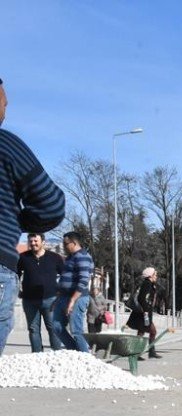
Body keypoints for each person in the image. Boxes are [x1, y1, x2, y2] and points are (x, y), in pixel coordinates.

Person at [0, 78, 66, 355]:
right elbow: (51, 204)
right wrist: (16, 219)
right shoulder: (6, 146)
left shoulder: (53, 259)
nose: (7, 104)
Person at [16, 232, 64, 352]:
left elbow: (65, 275)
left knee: (53, 328)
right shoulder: (23, 258)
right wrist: (18, 288)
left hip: (50, 299)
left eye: (35, 241)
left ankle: (57, 354)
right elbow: (15, 275)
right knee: (33, 329)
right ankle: (37, 356)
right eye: (30, 241)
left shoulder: (55, 257)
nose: (33, 243)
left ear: (43, 241)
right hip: (29, 301)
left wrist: (61, 293)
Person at [52, 232, 93, 353]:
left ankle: (85, 358)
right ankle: (75, 352)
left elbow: (84, 280)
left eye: (66, 244)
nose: (64, 246)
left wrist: (73, 300)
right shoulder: (70, 257)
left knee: (76, 330)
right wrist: (58, 298)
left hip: (77, 298)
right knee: (56, 326)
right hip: (63, 297)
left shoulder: (83, 256)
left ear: (74, 243)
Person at [126, 267, 161, 359]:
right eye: (155, 274)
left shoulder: (150, 284)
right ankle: (147, 352)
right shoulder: (147, 284)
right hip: (143, 313)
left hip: (144, 313)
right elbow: (141, 298)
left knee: (142, 331)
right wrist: (146, 310)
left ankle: (141, 353)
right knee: (151, 331)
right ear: (150, 275)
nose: (156, 276)